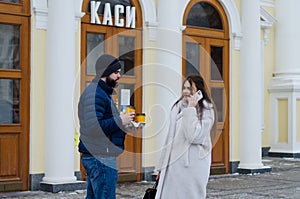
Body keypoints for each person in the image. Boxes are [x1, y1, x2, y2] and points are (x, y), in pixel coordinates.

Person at [78, 54, 135, 199]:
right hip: (100, 157)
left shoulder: (101, 93)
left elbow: (105, 123)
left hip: (99, 155)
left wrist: (127, 125)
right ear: (105, 73)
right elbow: (94, 127)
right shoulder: (96, 94)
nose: (119, 76)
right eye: (116, 72)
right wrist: (120, 120)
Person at [155, 74, 216, 199]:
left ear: (198, 90)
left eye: (189, 88)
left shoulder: (206, 109)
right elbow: (169, 138)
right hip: (173, 166)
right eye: (184, 88)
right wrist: (161, 167)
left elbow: (193, 136)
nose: (186, 91)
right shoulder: (177, 107)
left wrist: (191, 109)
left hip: (193, 166)